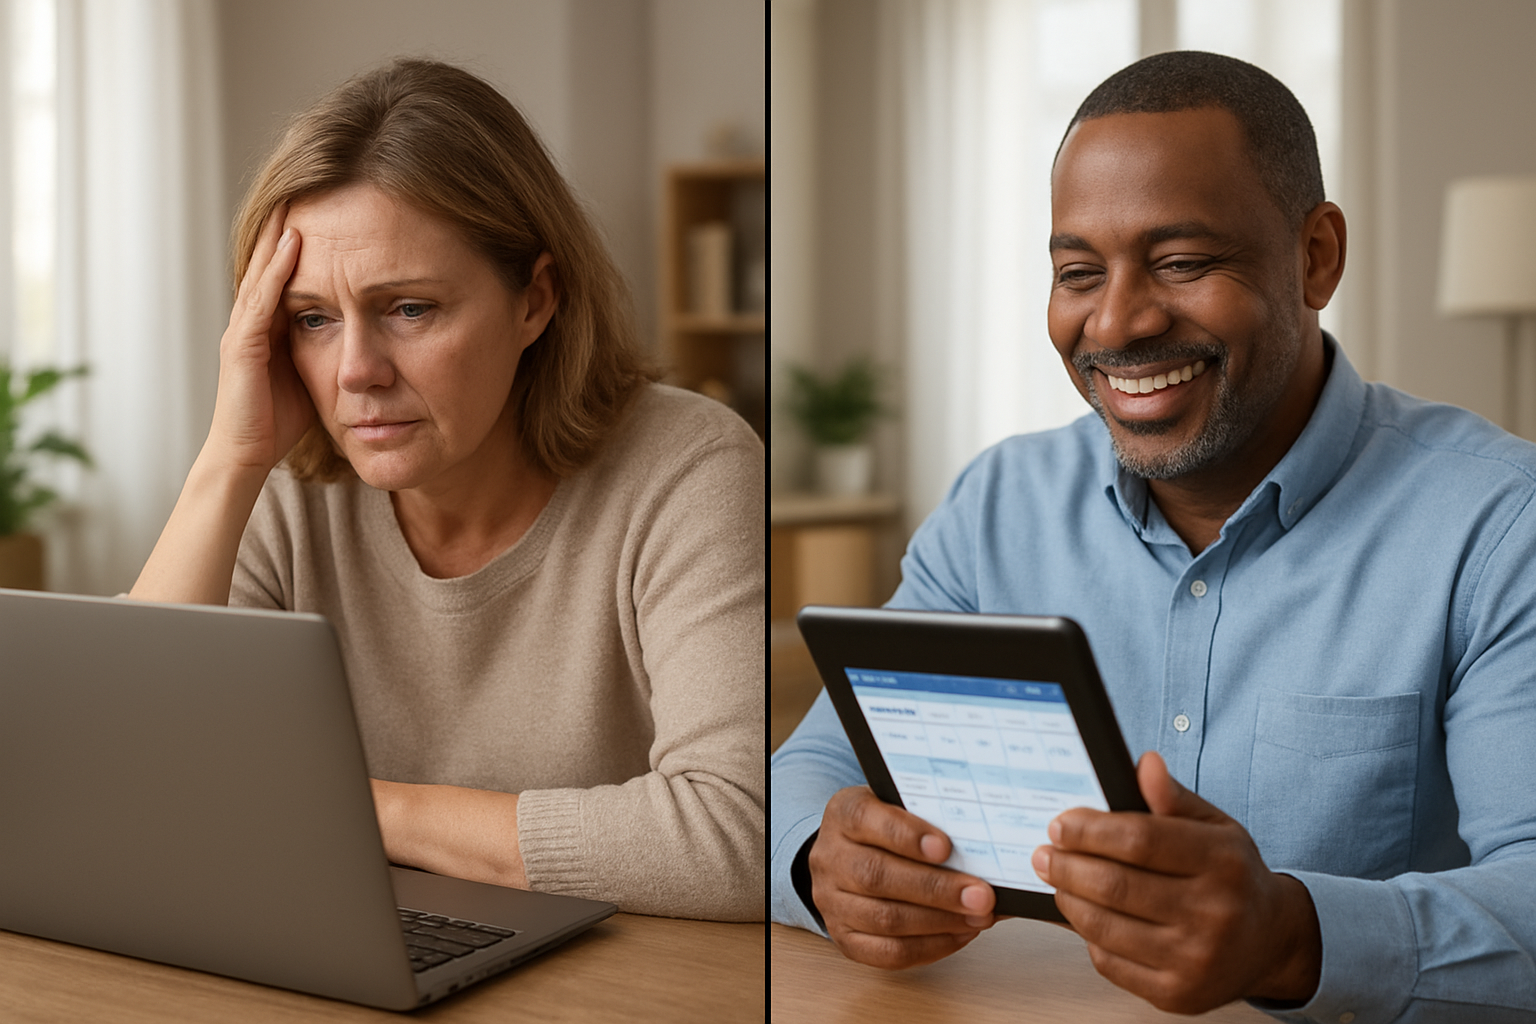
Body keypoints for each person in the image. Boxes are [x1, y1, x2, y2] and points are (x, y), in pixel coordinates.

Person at [771, 49, 1536, 1019]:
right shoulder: (998, 503)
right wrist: (819, 861)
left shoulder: (1501, 526)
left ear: (1317, 257)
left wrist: (1292, 935)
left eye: (1181, 263)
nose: (1118, 322)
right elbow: (813, 766)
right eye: (1078, 272)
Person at [130, 59, 764, 922]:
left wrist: (362, 808)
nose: (356, 372)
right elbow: (132, 785)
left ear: (535, 300)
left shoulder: (687, 464)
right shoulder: (286, 491)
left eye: (409, 309)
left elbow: (732, 839)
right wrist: (229, 460)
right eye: (312, 319)